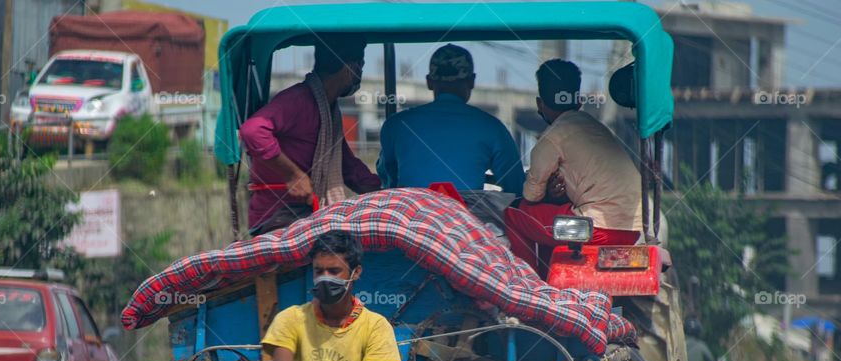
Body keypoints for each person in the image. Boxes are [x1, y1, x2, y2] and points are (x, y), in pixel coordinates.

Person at [504, 59, 643, 273]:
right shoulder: (596, 128)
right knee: (555, 222)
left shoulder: (551, 139)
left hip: (593, 228)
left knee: (515, 214)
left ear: (540, 104)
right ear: (578, 102)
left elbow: (531, 197)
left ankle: (526, 284)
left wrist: (544, 192)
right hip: (632, 229)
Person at [239, 36, 381, 234]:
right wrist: (293, 175)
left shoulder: (329, 111)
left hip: (307, 214)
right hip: (278, 218)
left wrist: (386, 192)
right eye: (361, 65)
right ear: (351, 68)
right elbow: (252, 131)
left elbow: (347, 166)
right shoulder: (299, 100)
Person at [262, 231, 402, 361]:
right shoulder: (290, 319)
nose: (325, 278)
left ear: (356, 272)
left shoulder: (376, 327)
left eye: (334, 271)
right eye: (319, 271)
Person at [377, 44, 525, 195]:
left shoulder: (396, 125)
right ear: (472, 81)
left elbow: (389, 181)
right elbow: (516, 186)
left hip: (411, 215)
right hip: (468, 217)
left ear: (429, 82)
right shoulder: (492, 127)